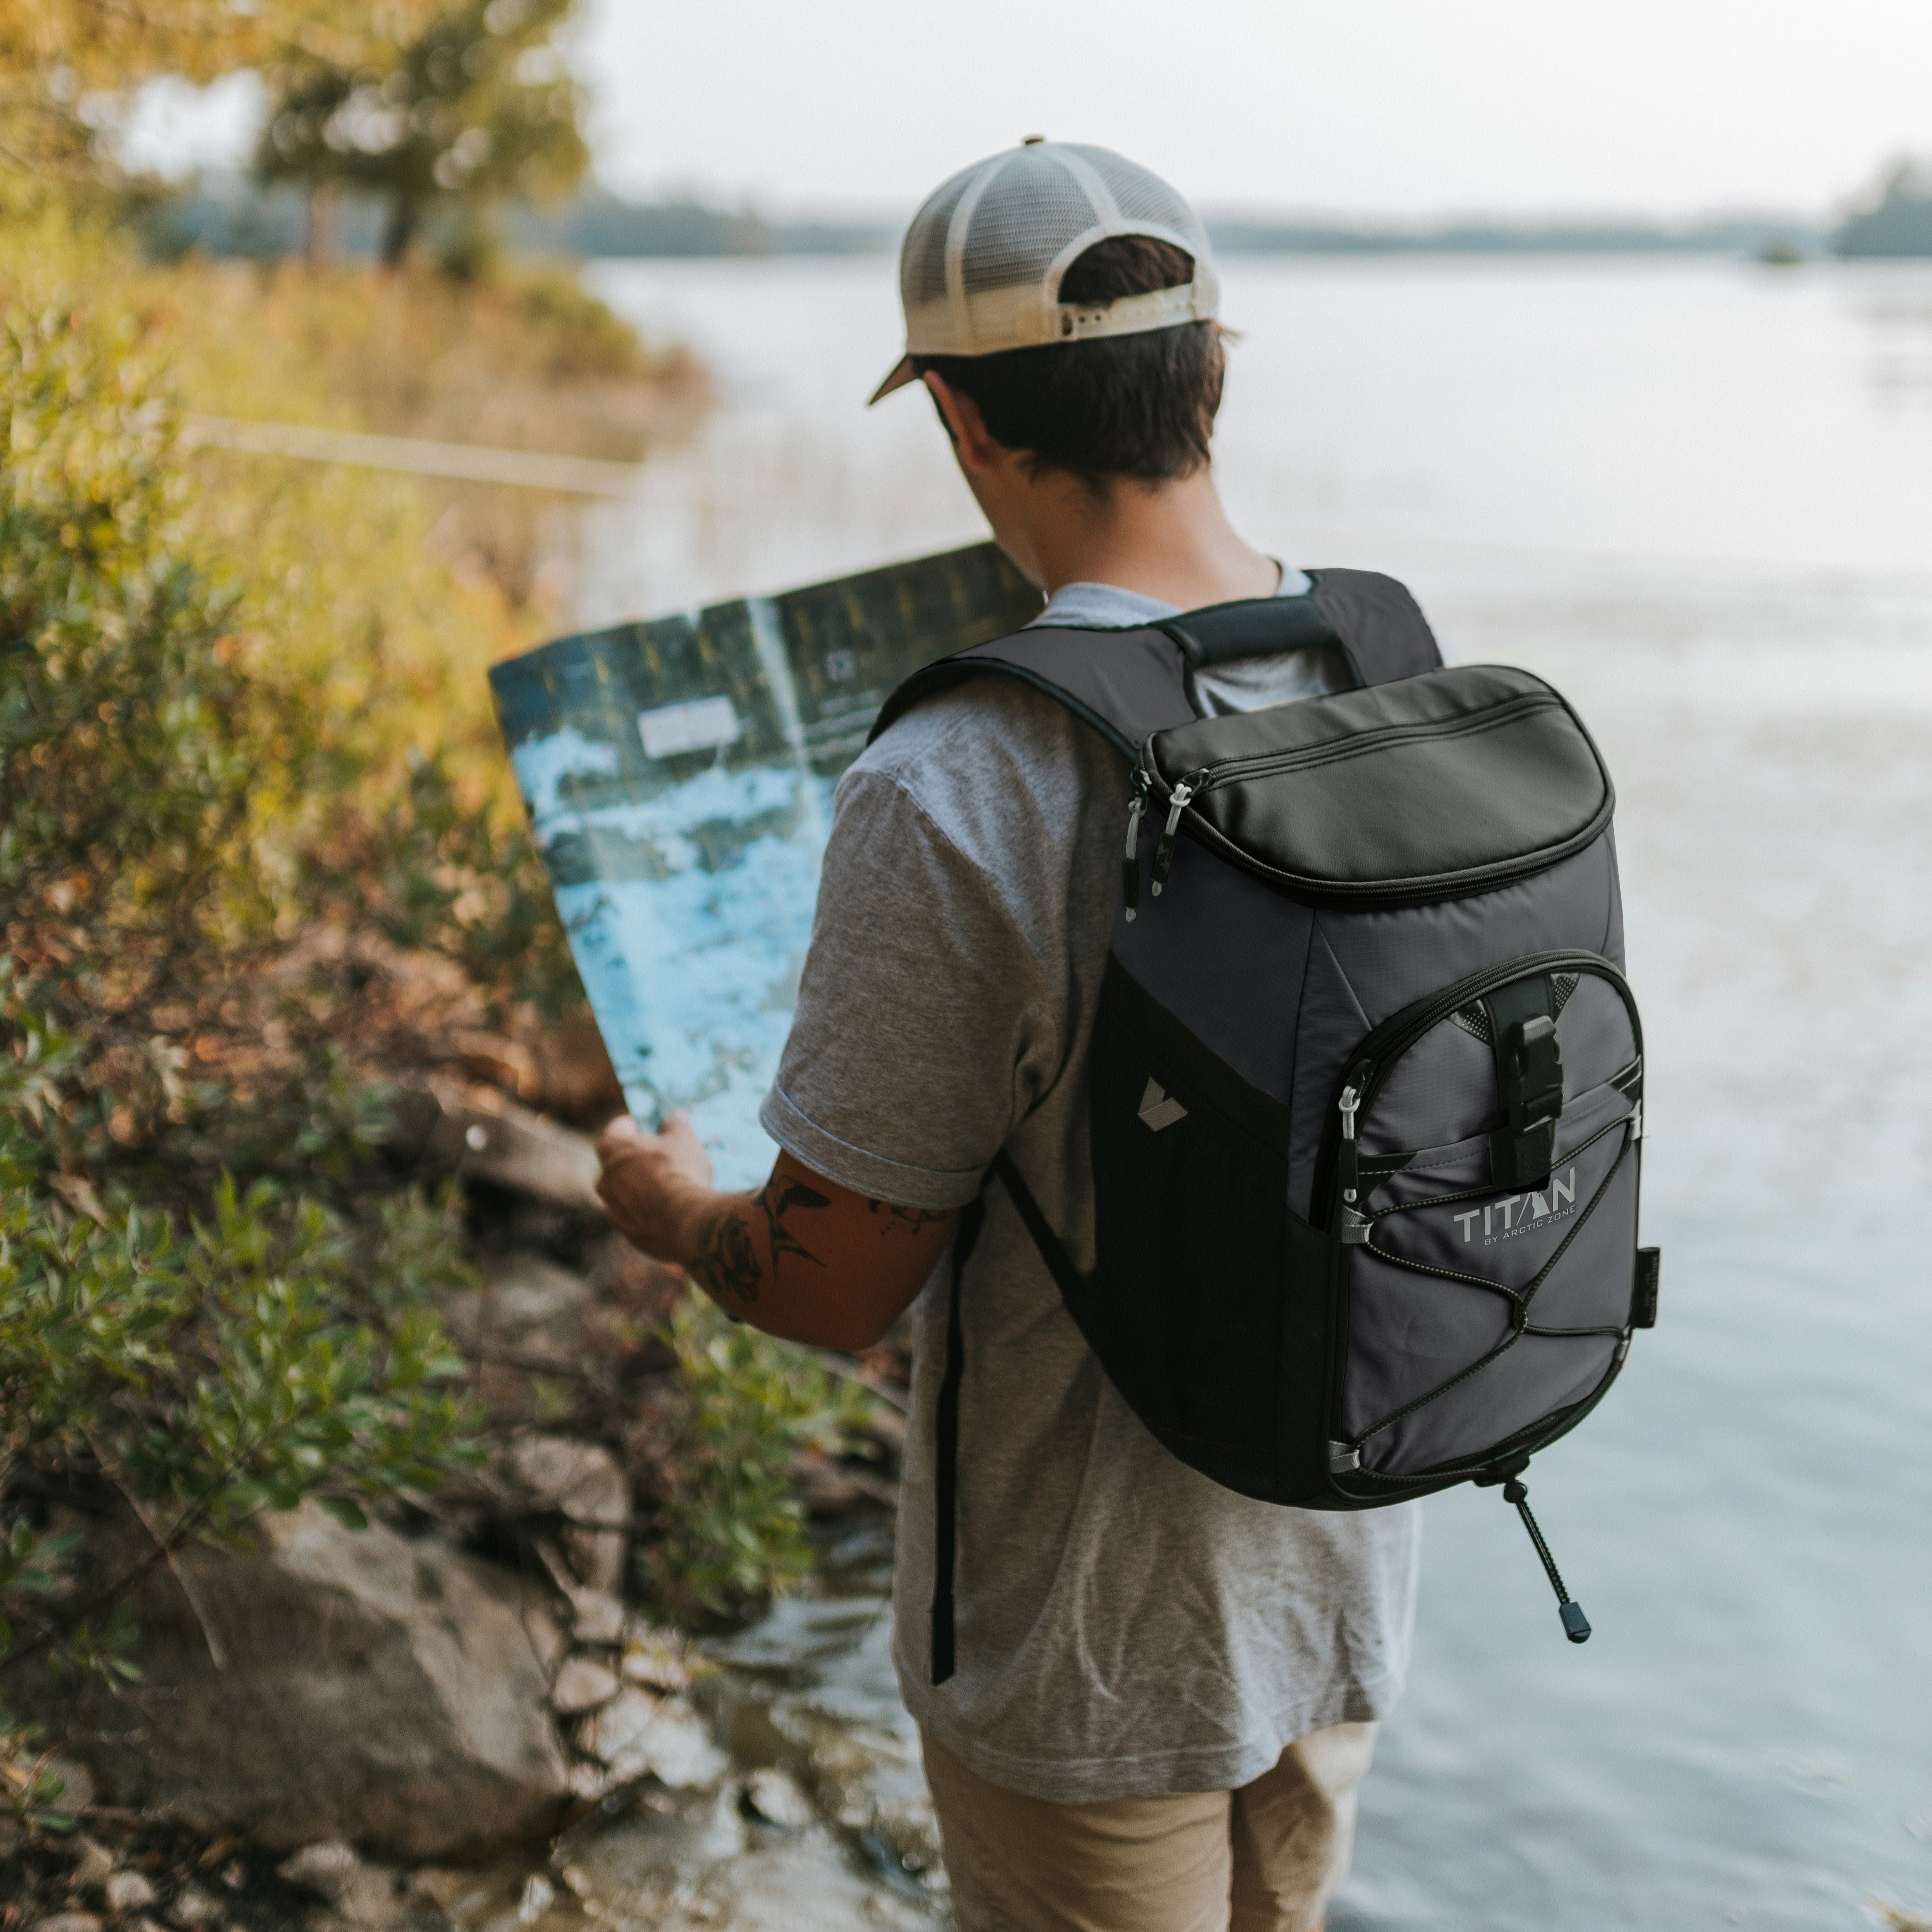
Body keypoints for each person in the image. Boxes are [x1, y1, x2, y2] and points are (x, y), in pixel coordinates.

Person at [595, 139, 1421, 1932]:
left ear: (961, 421)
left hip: (1084, 1650)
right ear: (1210, 369)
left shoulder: (960, 771)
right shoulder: (1380, 665)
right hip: (1343, 1559)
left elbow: (826, 1286)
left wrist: (669, 1205)